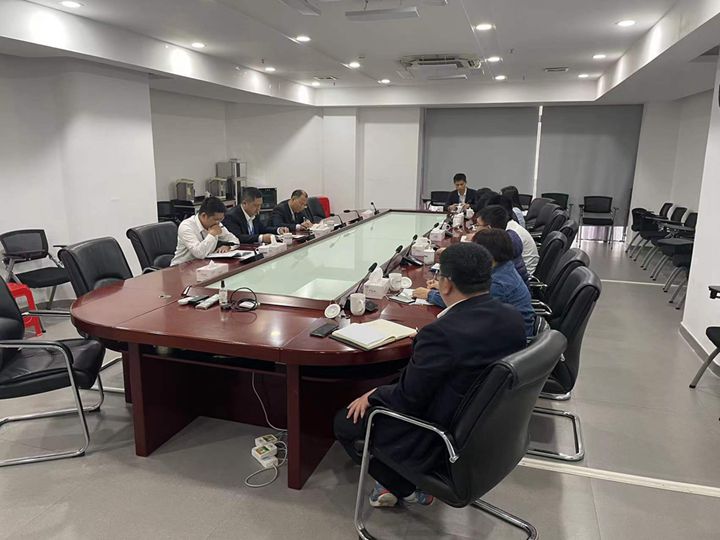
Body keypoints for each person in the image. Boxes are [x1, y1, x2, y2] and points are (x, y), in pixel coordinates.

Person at [334, 243, 526, 508]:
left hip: (439, 433)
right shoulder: (512, 318)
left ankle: (404, 485)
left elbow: (408, 399)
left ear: (446, 284)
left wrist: (373, 393)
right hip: (486, 428)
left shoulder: (441, 334)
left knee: (344, 422)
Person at [415, 229, 535, 337]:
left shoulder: (499, 284)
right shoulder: (504, 267)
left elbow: (465, 303)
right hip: (508, 331)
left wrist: (429, 294)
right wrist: (446, 285)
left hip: (510, 339)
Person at [170, 197, 239, 266]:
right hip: (181, 267)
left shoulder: (216, 224)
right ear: (204, 215)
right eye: (216, 219)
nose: (218, 223)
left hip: (203, 265)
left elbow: (235, 240)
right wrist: (212, 235)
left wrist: (228, 246)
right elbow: (199, 254)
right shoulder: (186, 226)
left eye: (221, 219)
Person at [481, 205, 538, 276]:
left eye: (477, 225)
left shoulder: (510, 236)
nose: (475, 228)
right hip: (517, 272)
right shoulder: (508, 228)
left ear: (488, 227)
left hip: (525, 273)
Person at [223, 187, 290, 243]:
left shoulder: (254, 213)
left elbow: (263, 229)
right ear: (244, 203)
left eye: (260, 205)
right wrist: (261, 238)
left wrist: (278, 230)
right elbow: (238, 237)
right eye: (255, 205)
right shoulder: (231, 216)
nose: (258, 209)